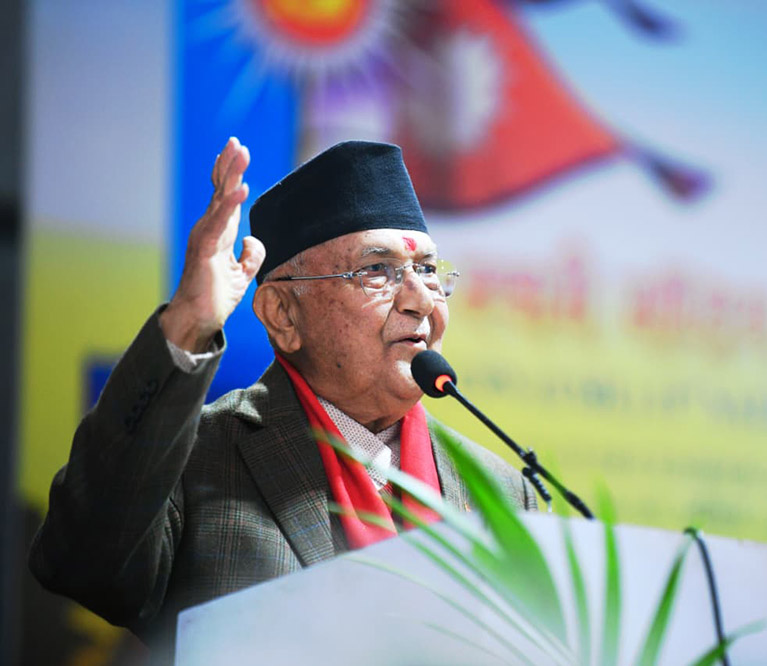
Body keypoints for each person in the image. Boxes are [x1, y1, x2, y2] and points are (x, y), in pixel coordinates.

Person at [29, 138, 537, 664]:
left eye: (428, 270)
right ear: (283, 315)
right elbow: (79, 563)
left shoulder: (502, 492)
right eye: (377, 271)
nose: (421, 299)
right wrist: (187, 323)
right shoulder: (197, 460)